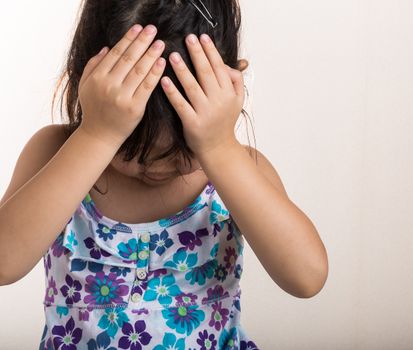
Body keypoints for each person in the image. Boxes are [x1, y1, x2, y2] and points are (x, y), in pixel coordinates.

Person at [0, 0, 329, 348]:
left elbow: (306, 278)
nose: (155, 167)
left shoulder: (239, 169)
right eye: (128, 147)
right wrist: (97, 136)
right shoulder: (57, 153)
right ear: (88, 84)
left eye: (183, 150)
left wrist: (219, 149)